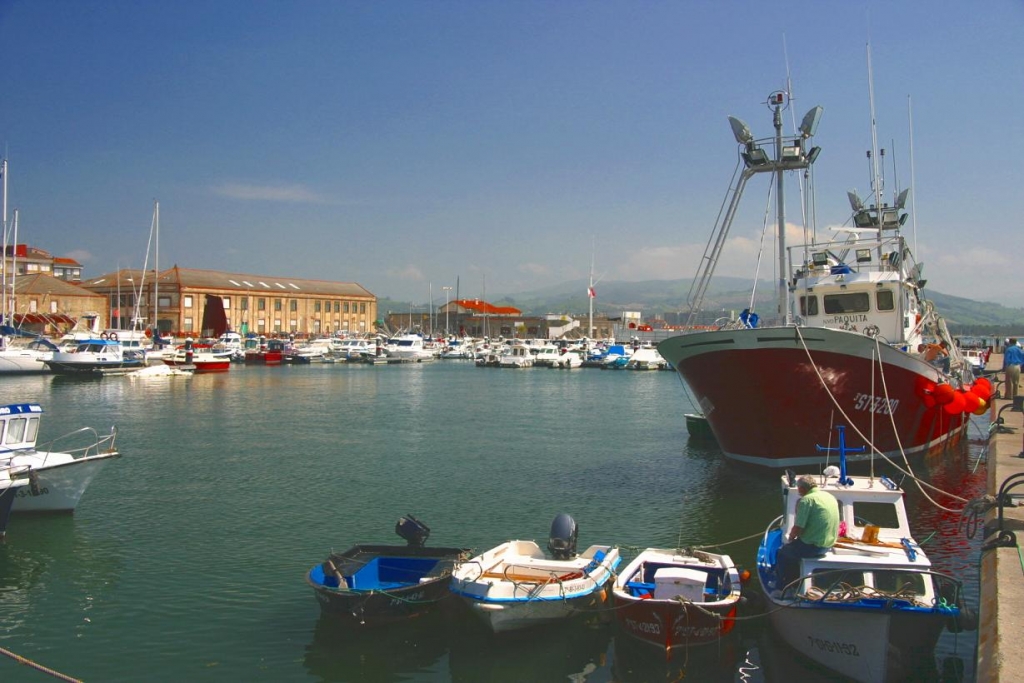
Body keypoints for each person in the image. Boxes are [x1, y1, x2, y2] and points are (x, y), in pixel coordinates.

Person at [775, 475, 840, 593]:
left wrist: (791, 537)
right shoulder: (829, 496)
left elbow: (798, 527)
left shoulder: (807, 500)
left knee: (782, 553)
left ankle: (783, 587)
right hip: (827, 546)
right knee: (792, 551)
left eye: (799, 488)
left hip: (812, 547)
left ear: (802, 489)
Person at [1003, 338, 1024, 403]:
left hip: (1010, 365)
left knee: (1009, 381)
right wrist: (1021, 364)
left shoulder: (1009, 349)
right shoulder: (1019, 349)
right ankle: (1015, 395)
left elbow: (1007, 359)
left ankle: (1009, 396)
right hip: (1018, 366)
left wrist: (1006, 366)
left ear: (1010, 342)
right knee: (1016, 382)